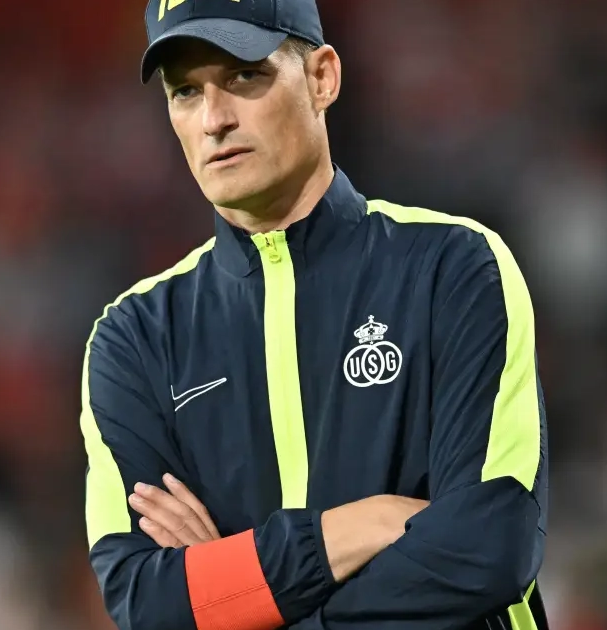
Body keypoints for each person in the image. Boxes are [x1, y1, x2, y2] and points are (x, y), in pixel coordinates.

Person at [78, 0, 550, 629]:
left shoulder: (454, 267)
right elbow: (145, 601)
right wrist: (357, 528)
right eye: (185, 91)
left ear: (322, 78)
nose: (214, 119)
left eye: (244, 75)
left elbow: (489, 547)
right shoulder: (134, 338)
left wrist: (236, 596)